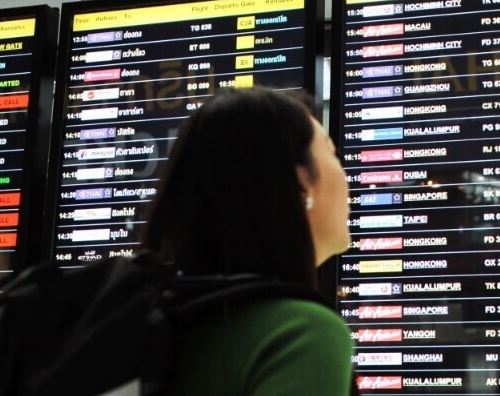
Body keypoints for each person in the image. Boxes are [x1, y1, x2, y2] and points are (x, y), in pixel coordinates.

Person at [144, 87, 355, 395]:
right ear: (301, 185)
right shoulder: (301, 333)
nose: (347, 178)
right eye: (332, 152)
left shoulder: (156, 322)